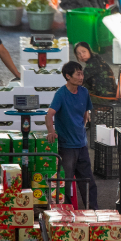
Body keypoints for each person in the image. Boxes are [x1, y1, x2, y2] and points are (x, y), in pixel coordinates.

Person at [45, 62, 99, 210]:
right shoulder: (61, 94)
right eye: (78, 74)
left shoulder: (84, 92)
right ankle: (67, 213)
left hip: (81, 144)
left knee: (88, 180)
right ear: (68, 76)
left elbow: (85, 112)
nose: (81, 77)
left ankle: (93, 209)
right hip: (66, 146)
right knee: (66, 182)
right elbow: (49, 114)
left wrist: (82, 127)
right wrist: (51, 131)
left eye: (82, 73)